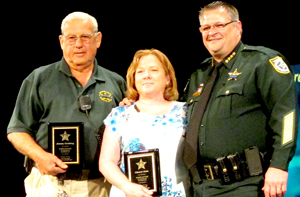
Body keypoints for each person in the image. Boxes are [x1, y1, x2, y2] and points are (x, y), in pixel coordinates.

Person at [181, 1, 298, 197]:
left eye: (219, 25)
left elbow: (286, 117)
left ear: (238, 27)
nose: (212, 32)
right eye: (206, 28)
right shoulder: (198, 74)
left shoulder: (262, 62)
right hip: (199, 186)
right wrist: (134, 106)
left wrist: (279, 165)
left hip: (246, 184)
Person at [7, 12, 126, 197]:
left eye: (85, 37)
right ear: (62, 41)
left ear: (98, 39)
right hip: (49, 184)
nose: (78, 44)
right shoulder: (38, 79)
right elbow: (17, 131)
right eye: (72, 38)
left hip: (100, 185)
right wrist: (40, 156)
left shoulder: (116, 82)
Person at [99, 49, 188, 197]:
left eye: (153, 70)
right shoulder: (119, 115)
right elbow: (106, 162)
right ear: (133, 79)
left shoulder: (185, 113)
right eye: (140, 72)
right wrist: (127, 187)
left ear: (167, 78)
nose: (146, 76)